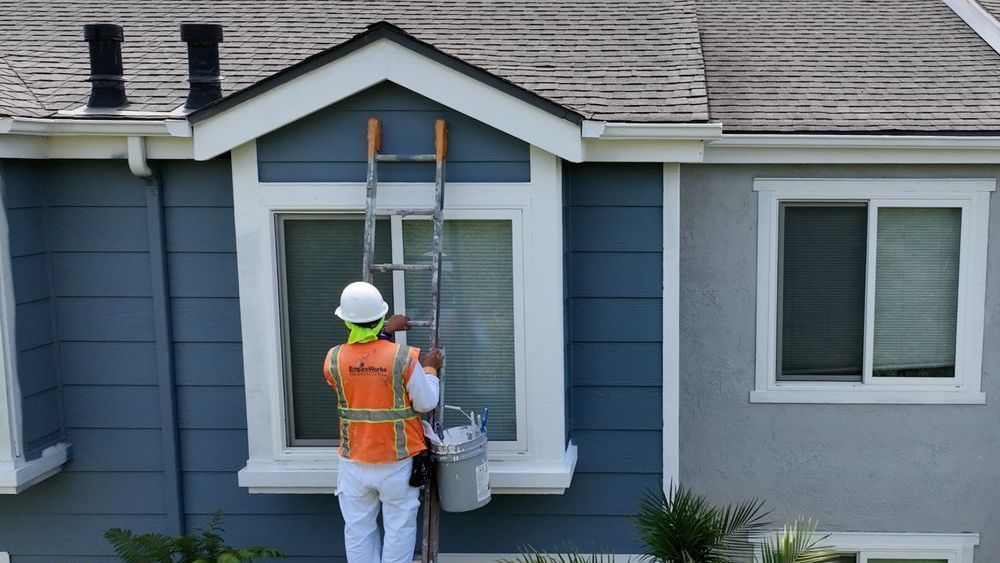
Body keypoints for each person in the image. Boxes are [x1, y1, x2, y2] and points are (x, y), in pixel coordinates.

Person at [324, 281, 443, 563]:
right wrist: (429, 368)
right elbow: (426, 402)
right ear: (380, 317)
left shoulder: (333, 359)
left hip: (353, 463)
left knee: (358, 531)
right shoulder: (402, 357)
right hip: (397, 462)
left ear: (347, 321)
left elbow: (363, 364)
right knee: (399, 529)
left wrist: (384, 333)